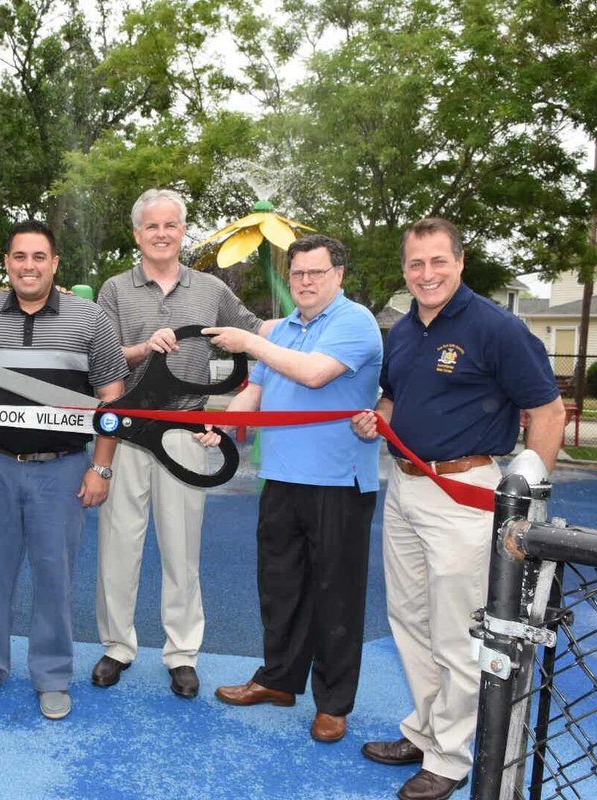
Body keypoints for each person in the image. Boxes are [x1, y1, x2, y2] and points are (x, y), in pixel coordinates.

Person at [350, 218, 565, 800]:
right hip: (406, 488)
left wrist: (529, 491)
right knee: (411, 623)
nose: (427, 275)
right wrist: (379, 423)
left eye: (438, 262)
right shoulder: (401, 330)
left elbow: (547, 413)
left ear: (460, 262)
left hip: (464, 492)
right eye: (416, 265)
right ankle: (424, 733)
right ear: (405, 270)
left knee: (455, 632)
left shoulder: (497, 327)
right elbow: (393, 397)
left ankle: (450, 757)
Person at [204, 234, 382, 743]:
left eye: (316, 273)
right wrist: (221, 426)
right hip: (280, 477)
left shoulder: (356, 322)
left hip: (338, 483)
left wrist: (253, 340)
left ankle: (333, 704)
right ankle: (279, 680)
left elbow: (314, 374)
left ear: (338, 275)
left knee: (336, 596)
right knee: (279, 587)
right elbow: (255, 393)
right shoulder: (282, 329)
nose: (304, 282)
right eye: (297, 274)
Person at [92, 188, 268, 698]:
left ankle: (182, 652)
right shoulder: (115, 290)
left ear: (183, 229)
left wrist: (315, 321)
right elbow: (101, 361)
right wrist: (144, 348)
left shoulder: (210, 290)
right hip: (126, 433)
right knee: (118, 544)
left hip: (188, 429)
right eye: (152, 226)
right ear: (137, 234)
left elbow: (255, 333)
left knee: (182, 547)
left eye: (171, 225)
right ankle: (116, 646)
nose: (162, 234)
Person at [0, 220, 127, 720]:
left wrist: (102, 468)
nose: (28, 266)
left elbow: (112, 399)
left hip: (64, 470)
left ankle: (51, 675)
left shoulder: (90, 319)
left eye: (38, 257)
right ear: (7, 263)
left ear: (54, 263)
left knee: (54, 575)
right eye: (19, 257)